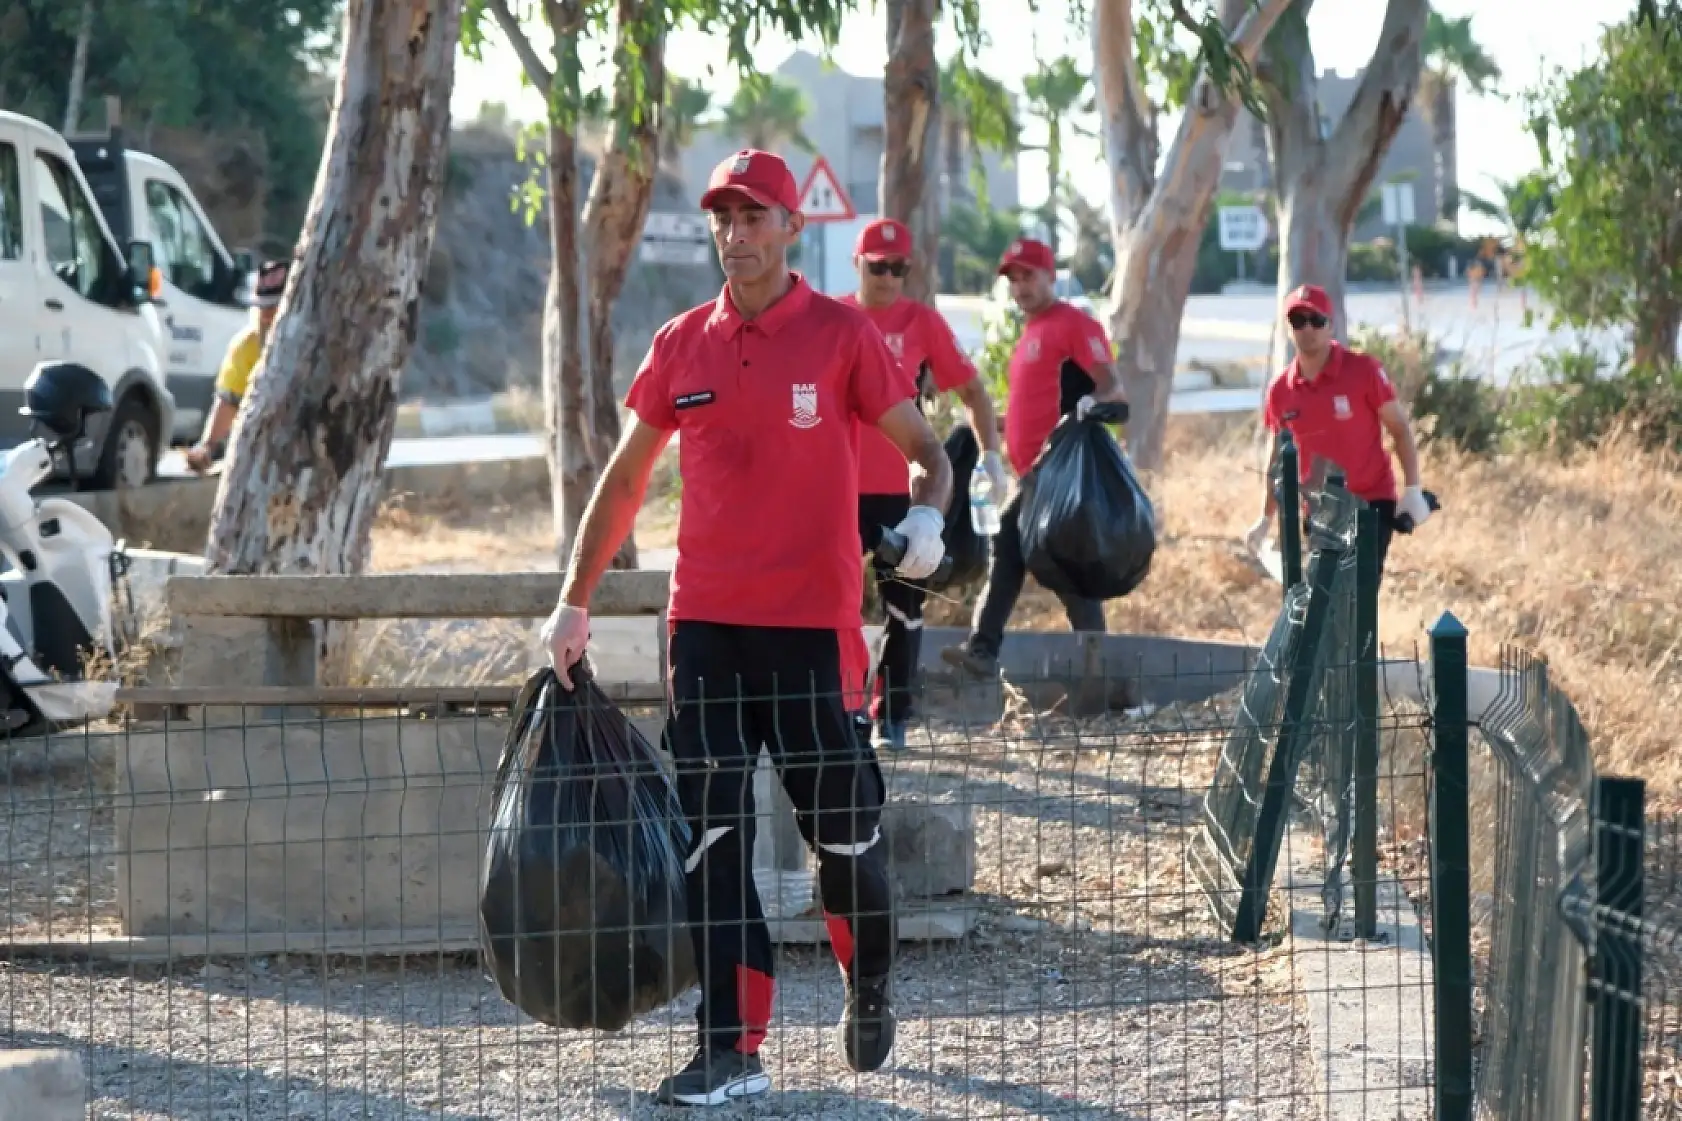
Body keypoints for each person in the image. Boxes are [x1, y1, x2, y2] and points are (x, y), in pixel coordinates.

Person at [540, 148, 953, 1108]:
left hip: (813, 634)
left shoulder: (844, 336)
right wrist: (576, 594)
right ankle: (732, 1047)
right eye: (724, 216)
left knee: (844, 839)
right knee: (712, 842)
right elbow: (627, 476)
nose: (736, 233)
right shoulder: (682, 343)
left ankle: (871, 979)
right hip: (707, 633)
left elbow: (927, 451)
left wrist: (928, 518)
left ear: (791, 227)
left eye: (755, 215)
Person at [840, 217, 1007, 753]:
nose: (887, 277)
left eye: (898, 268)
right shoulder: (834, 318)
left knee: (904, 607)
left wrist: (992, 459)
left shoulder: (922, 323)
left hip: (903, 489)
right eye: (877, 266)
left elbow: (975, 393)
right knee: (831, 606)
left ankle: (893, 715)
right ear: (857, 264)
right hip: (837, 488)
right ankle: (837, 712)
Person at [940, 237, 1129, 679]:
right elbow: (1032, 406)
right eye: (1014, 278)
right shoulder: (1031, 332)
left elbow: (1112, 388)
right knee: (1048, 567)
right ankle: (1092, 671)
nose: (1021, 286)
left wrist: (1091, 406)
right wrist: (988, 424)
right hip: (1031, 473)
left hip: (1059, 474)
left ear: (1051, 276)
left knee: (1019, 552)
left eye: (1029, 275)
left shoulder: (1073, 324)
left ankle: (985, 650)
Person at [1244, 283, 1431, 579]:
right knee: (1324, 603)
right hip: (1319, 511)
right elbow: (1277, 457)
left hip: (1371, 504)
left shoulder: (1363, 371)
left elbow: (1399, 428)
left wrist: (1413, 490)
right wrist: (1265, 518)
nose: (1308, 329)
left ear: (1330, 326)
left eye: (1316, 320)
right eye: (1298, 320)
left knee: (1358, 596)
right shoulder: (1280, 390)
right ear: (1289, 329)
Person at [185, 257, 291, 474]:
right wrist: (207, 446)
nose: (266, 315)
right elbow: (229, 400)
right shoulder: (247, 345)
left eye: (274, 306)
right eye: (262, 307)